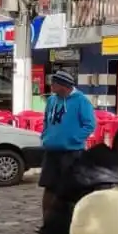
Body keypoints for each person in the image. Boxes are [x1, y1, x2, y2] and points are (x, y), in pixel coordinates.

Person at [40, 71, 97, 220]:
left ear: (63, 86)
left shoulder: (81, 101)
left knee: (71, 189)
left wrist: (73, 139)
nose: (51, 86)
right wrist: (45, 136)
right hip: (51, 151)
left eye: (54, 84)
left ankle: (71, 221)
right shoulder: (52, 100)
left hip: (72, 152)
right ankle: (47, 221)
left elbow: (89, 124)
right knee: (49, 188)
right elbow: (46, 120)